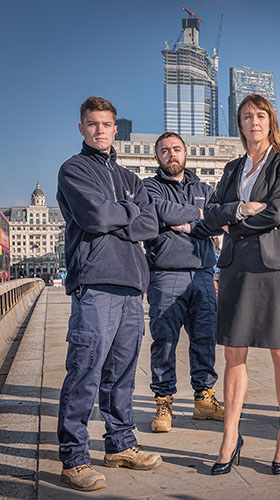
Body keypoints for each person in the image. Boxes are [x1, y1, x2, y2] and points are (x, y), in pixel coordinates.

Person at [56, 96, 161, 492]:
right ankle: (74, 458)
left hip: (133, 287)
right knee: (84, 369)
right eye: (92, 123)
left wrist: (124, 212)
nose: (100, 130)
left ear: (116, 129)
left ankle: (119, 444)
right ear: (81, 128)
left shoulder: (131, 178)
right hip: (95, 283)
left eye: (106, 124)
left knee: (122, 374)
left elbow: (149, 223)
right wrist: (128, 212)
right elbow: (95, 217)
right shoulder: (73, 170)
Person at [204, 94, 280, 475]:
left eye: (260, 115)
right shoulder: (232, 169)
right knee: (234, 353)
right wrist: (240, 210)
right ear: (240, 124)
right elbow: (211, 213)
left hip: (272, 267)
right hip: (235, 266)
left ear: (270, 122)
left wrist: (236, 224)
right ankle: (231, 434)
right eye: (246, 116)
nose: (254, 122)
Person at [143, 132, 224, 433]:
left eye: (176, 149)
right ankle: (164, 401)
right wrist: (198, 217)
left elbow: (214, 221)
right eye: (164, 151)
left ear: (186, 153)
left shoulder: (203, 187)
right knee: (164, 340)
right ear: (157, 157)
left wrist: (186, 224)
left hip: (203, 273)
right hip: (166, 274)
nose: (171, 155)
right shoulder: (149, 187)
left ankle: (204, 398)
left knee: (205, 338)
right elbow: (161, 212)